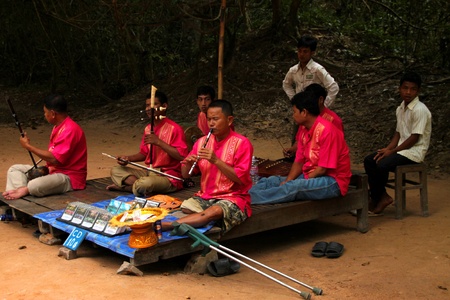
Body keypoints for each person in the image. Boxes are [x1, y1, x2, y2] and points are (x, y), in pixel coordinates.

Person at [162, 100, 253, 233]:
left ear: (229, 120)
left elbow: (241, 179)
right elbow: (185, 175)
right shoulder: (201, 142)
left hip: (232, 197)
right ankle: (203, 218)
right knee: (186, 207)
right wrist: (187, 163)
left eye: (215, 119)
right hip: (206, 196)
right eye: (209, 119)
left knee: (213, 211)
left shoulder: (242, 143)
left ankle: (169, 225)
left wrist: (216, 160)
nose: (211, 123)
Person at [249, 90, 351, 204]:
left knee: (295, 186)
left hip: (332, 181)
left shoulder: (327, 131)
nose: (293, 116)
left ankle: (247, 200)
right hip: (310, 175)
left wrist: (296, 181)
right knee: (272, 181)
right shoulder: (303, 129)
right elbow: (298, 162)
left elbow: (322, 170)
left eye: (294, 112)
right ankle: (241, 196)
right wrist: (288, 180)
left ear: (304, 112)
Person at [364, 71, 432, 214]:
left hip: (414, 152)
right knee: (370, 160)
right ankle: (381, 196)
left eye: (413, 89)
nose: (408, 92)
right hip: (401, 150)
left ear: (418, 91)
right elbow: (398, 133)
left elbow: (414, 138)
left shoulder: (420, 110)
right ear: (399, 88)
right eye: (405, 88)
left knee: (382, 164)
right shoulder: (400, 108)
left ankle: (376, 198)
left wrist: (392, 152)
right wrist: (387, 149)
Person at [2, 94, 87, 200]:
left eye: (45, 112)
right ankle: (20, 194)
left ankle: (23, 191)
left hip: (69, 177)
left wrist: (28, 146)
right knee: (15, 169)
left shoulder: (70, 129)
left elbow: (54, 159)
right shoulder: (58, 126)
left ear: (52, 114)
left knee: (34, 185)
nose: (44, 115)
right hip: (53, 171)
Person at [107, 91, 188, 197]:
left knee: (145, 183)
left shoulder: (174, 128)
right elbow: (144, 153)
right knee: (116, 170)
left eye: (154, 104)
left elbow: (182, 156)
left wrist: (159, 142)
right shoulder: (148, 128)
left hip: (169, 176)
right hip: (149, 172)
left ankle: (128, 188)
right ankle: (141, 188)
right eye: (147, 105)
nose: (149, 108)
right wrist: (127, 158)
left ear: (164, 106)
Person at [283, 83, 344, 158]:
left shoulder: (333, 120)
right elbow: (300, 141)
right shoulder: (304, 118)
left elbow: (336, 150)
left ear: (321, 99)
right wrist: (292, 149)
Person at [282, 35, 339, 108]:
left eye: (305, 51)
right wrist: (294, 99)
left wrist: (324, 106)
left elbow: (333, 87)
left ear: (312, 53)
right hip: (301, 110)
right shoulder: (293, 70)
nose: (301, 54)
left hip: (314, 109)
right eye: (299, 51)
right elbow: (286, 84)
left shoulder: (317, 69)